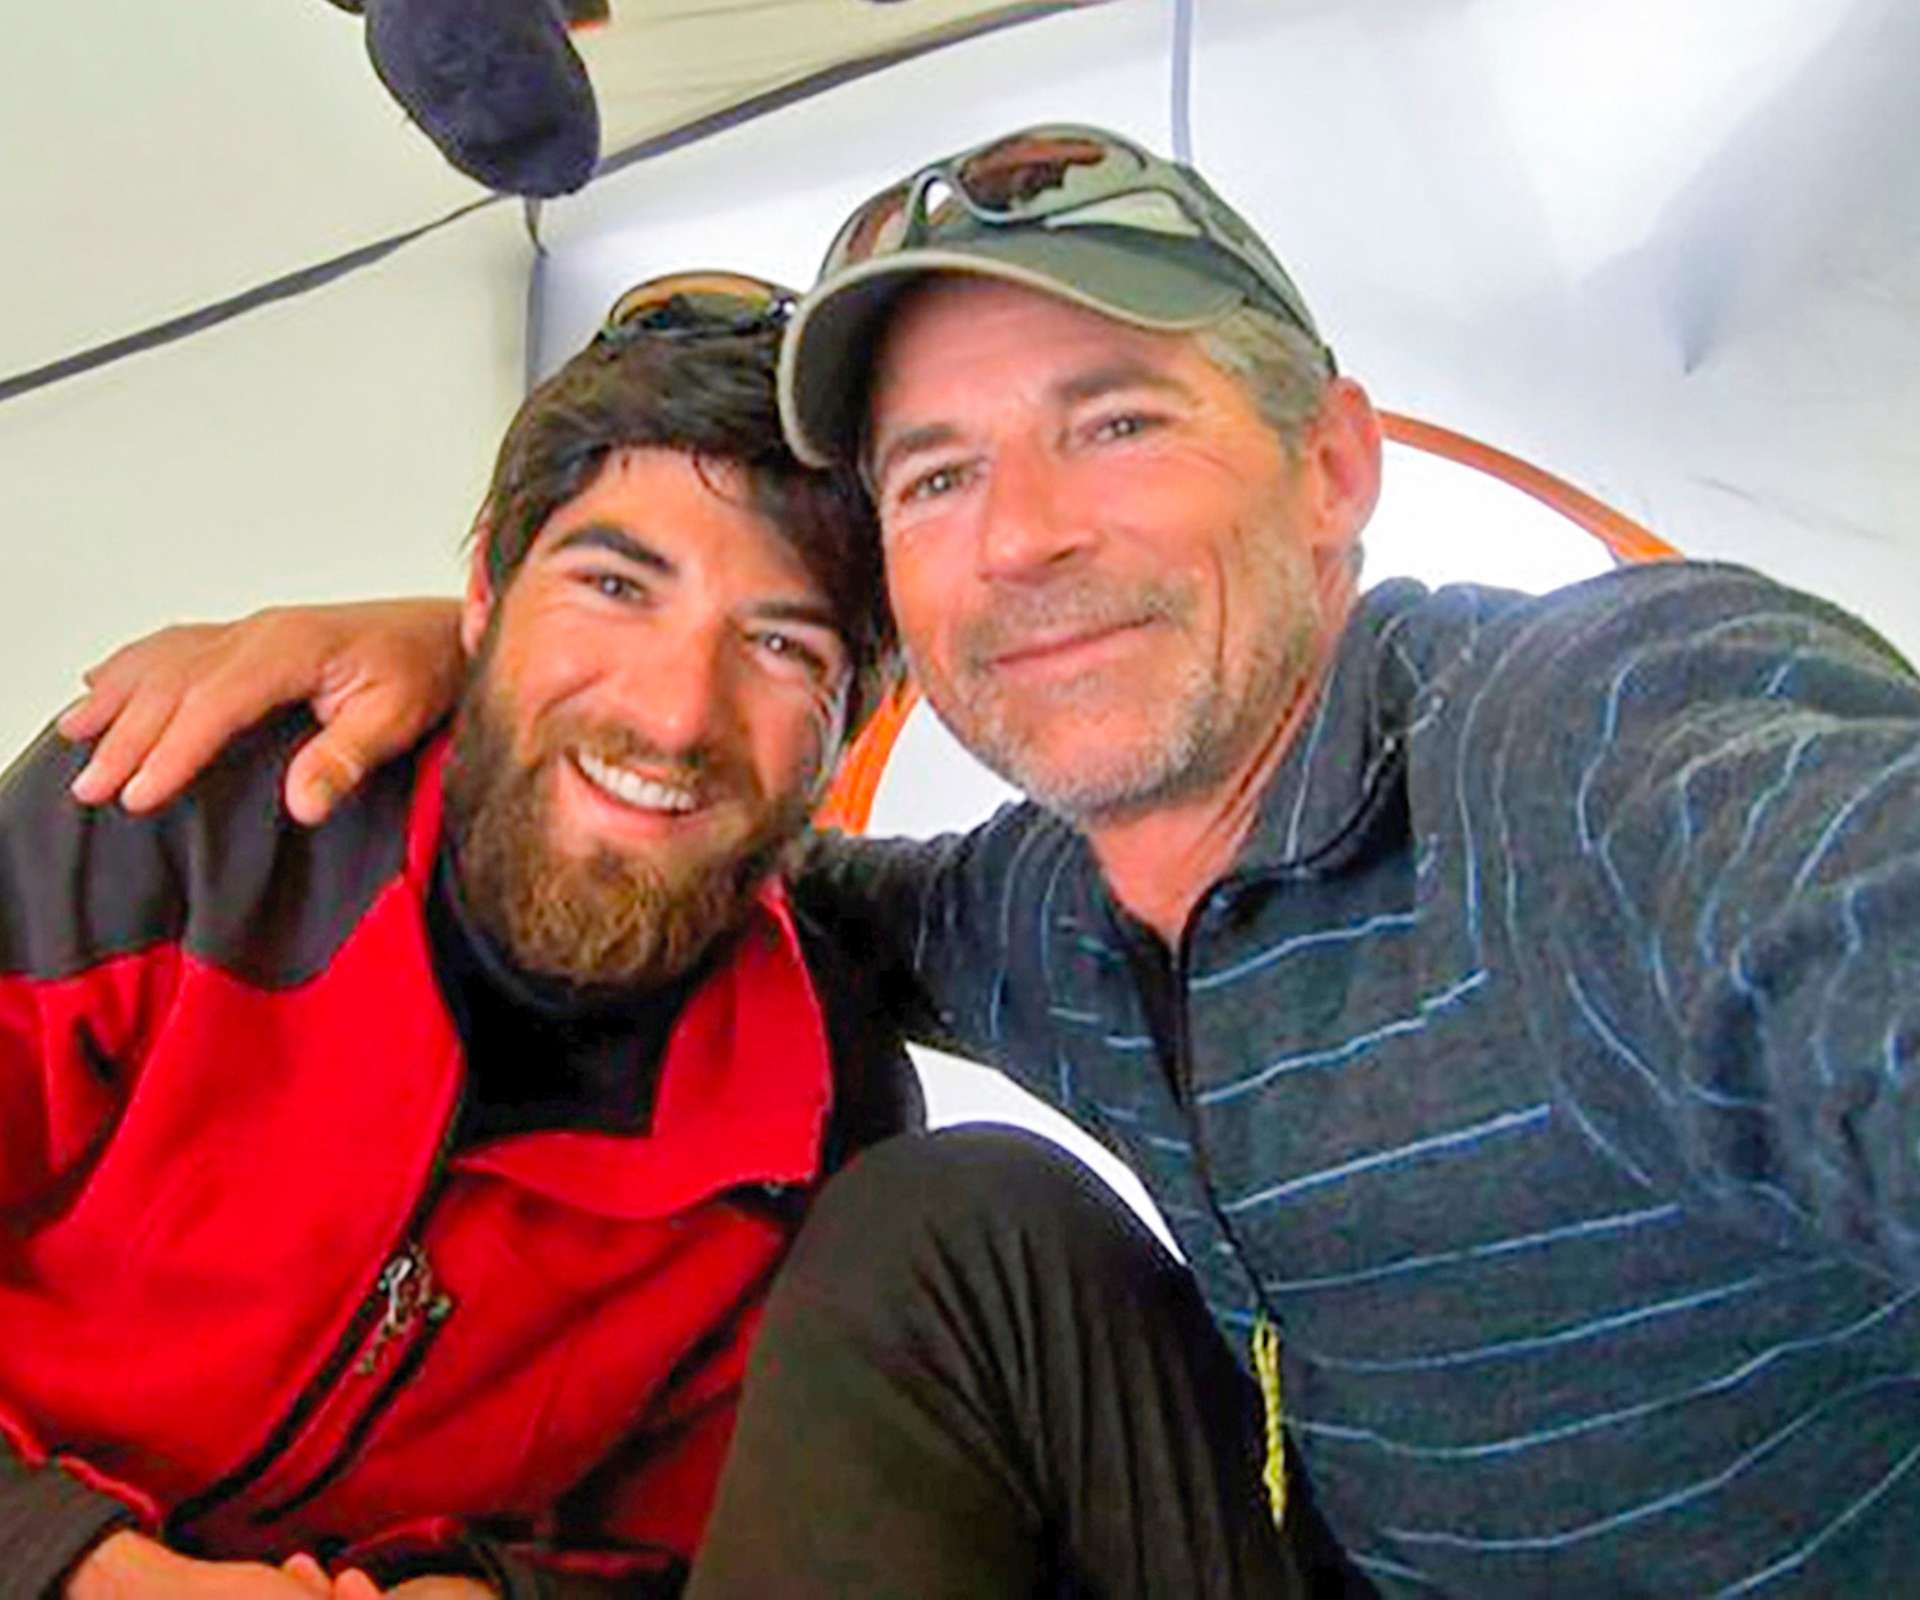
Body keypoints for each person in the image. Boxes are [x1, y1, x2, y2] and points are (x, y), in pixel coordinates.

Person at [58, 124, 1920, 1597]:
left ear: (1335, 466)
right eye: (937, 475)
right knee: (959, 1235)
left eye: (1112, 423)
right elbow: (720, 848)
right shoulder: (1042, 915)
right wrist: (502, 685)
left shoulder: (1591, 734)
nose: (1020, 539)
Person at [0, 272, 932, 1599]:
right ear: (485, 594)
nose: (675, 715)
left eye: (781, 648)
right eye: (615, 583)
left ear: (855, 727)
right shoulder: (182, 812)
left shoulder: (827, 1117)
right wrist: (84, 1570)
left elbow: (696, 1556)